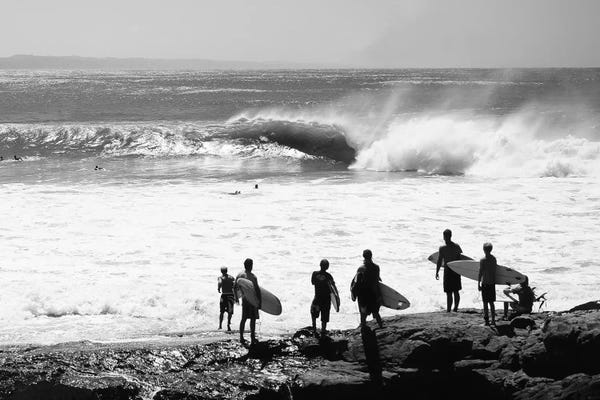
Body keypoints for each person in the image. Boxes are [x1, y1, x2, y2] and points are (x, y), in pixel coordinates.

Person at [352, 249, 383, 329]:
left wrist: (354, 294)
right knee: (375, 312)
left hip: (363, 294)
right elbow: (377, 281)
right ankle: (381, 327)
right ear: (371, 256)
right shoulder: (376, 267)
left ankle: (363, 329)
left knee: (363, 313)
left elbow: (356, 283)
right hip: (373, 293)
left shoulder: (361, 269)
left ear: (363, 256)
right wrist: (379, 295)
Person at [435, 229, 464, 312]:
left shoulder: (442, 248)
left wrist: (437, 271)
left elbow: (439, 261)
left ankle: (448, 310)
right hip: (455, 270)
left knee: (449, 292)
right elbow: (460, 260)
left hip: (448, 270)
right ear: (451, 236)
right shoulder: (456, 246)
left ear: (444, 237)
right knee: (456, 291)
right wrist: (461, 271)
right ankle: (455, 308)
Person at [234, 258, 261, 345]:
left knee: (244, 318)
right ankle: (252, 338)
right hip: (252, 301)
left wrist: (236, 298)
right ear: (251, 266)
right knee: (252, 319)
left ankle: (241, 337)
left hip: (245, 300)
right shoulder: (253, 277)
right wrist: (259, 302)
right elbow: (257, 290)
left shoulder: (240, 275)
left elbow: (235, 287)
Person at [310, 259, 337, 337]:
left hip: (317, 297)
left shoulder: (314, 274)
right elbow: (333, 288)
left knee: (313, 312)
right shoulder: (329, 276)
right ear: (327, 267)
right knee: (325, 315)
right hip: (326, 299)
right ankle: (323, 330)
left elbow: (312, 282)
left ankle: (314, 329)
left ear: (320, 265)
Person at [478, 242, 497, 326]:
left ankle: (486, 321)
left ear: (483, 250)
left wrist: (478, 283)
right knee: (491, 303)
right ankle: (493, 320)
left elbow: (480, 272)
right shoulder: (494, 259)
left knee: (485, 303)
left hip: (485, 283)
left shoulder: (483, 260)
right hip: (492, 283)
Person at [217, 266, 235, 331]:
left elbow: (219, 282)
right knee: (230, 312)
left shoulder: (220, 277)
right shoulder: (232, 278)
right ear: (227, 271)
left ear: (221, 271)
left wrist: (219, 288)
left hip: (224, 295)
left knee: (222, 311)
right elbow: (235, 285)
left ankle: (220, 326)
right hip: (231, 295)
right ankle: (228, 325)